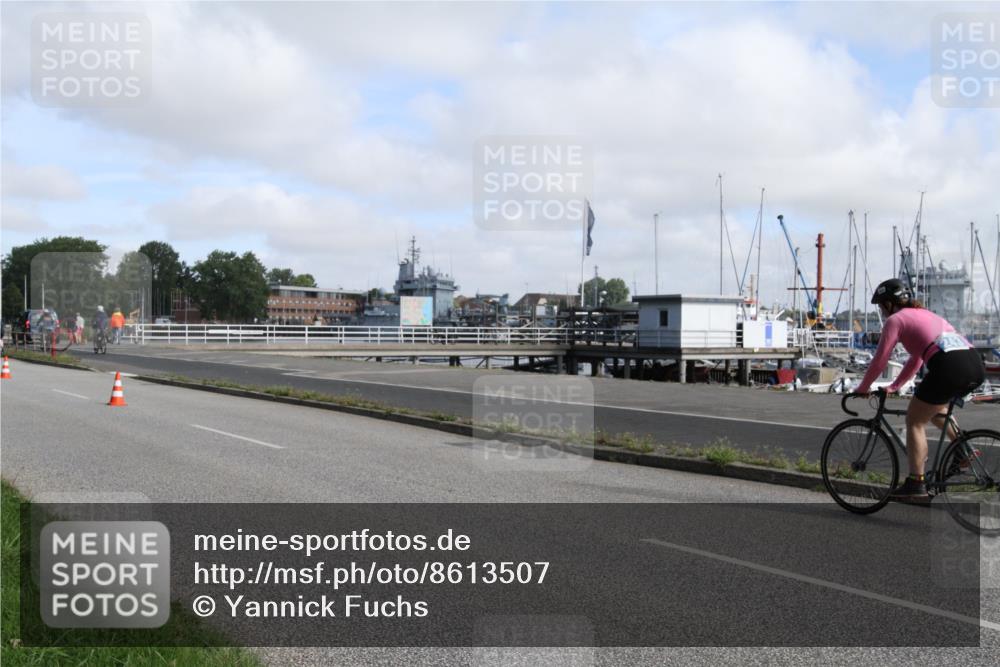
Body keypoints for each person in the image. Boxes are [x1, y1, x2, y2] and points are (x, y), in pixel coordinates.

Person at [855, 278, 987, 500]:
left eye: (881, 306)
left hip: (949, 367)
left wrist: (863, 387)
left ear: (889, 304)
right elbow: (917, 359)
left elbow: (880, 359)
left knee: (914, 420)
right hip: (975, 365)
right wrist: (895, 386)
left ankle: (916, 483)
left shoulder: (896, 320)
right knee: (935, 409)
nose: (882, 312)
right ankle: (964, 450)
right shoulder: (928, 315)